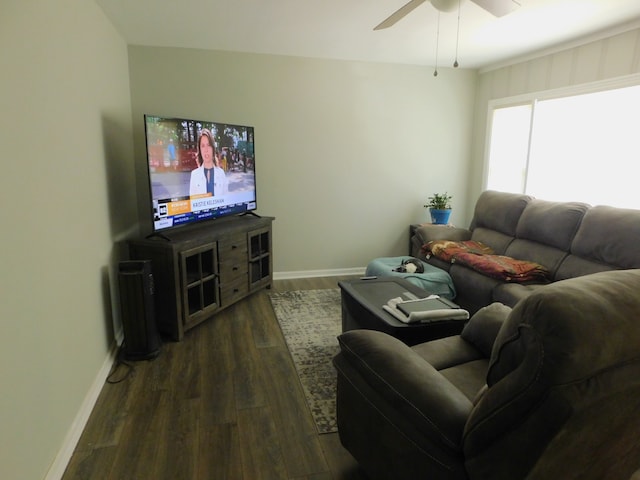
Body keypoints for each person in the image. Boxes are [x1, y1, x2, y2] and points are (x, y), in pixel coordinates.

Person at [189, 129, 228, 196]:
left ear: (213, 148)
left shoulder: (221, 174)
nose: (206, 150)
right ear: (200, 150)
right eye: (203, 146)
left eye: (208, 145)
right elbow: (193, 203)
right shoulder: (194, 175)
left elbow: (226, 201)